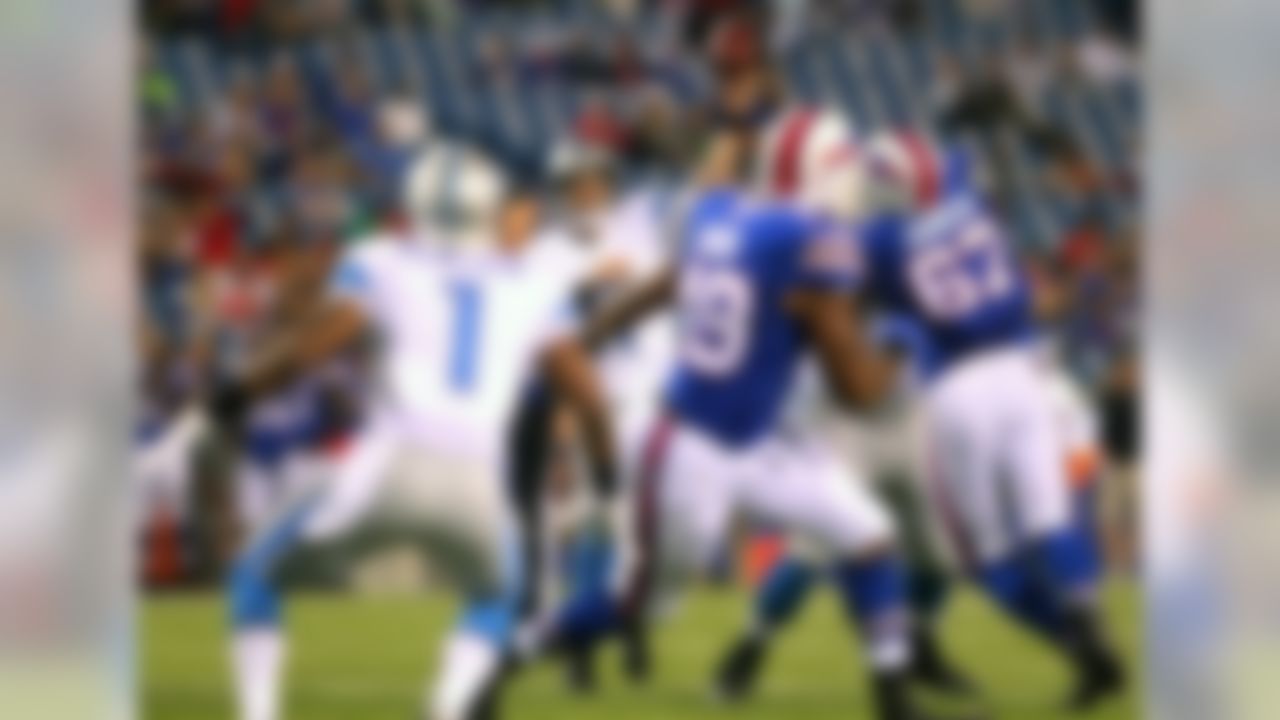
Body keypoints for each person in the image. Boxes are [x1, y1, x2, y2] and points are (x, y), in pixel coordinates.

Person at [530, 108, 976, 720]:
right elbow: (855, 387)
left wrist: (599, 328)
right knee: (641, 603)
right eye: (843, 167)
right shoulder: (811, 236)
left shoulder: (725, 213)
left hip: (766, 431)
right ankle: (521, 649)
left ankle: (894, 702)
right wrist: (902, 348)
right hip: (708, 437)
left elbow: (676, 277)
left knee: (869, 537)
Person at [207, 142, 617, 720]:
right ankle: (449, 708)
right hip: (478, 481)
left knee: (254, 575)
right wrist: (609, 477)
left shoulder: (380, 257)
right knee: (497, 597)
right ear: (490, 209)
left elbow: (312, 349)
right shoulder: (533, 281)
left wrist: (235, 396)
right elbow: (593, 399)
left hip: (389, 465)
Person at [851, 130, 1126, 711]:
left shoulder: (878, 237)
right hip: (1024, 374)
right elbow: (954, 156)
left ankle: (1075, 647)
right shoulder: (965, 198)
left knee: (986, 556)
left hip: (957, 388)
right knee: (1048, 522)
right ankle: (1092, 626)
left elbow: (853, 285)